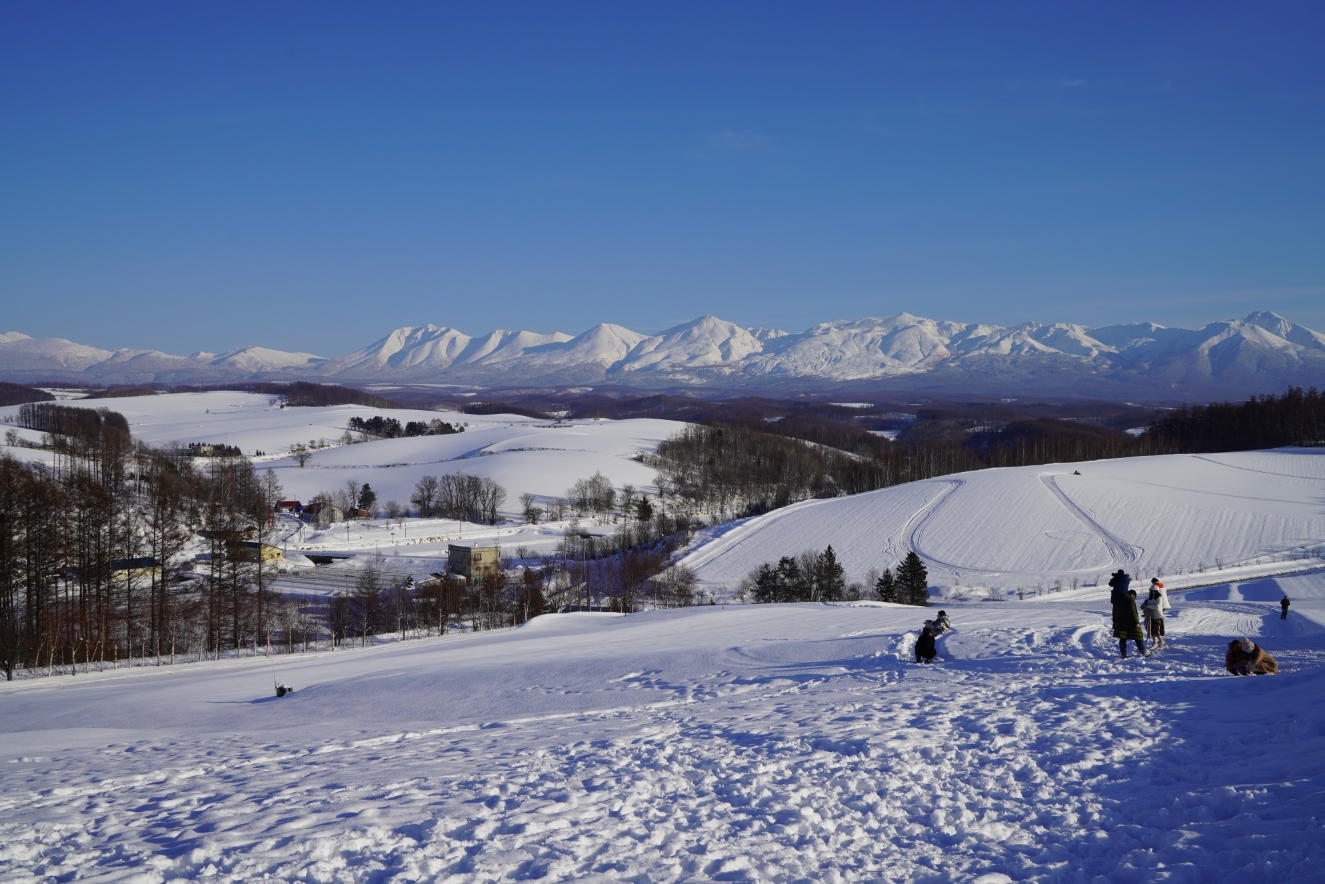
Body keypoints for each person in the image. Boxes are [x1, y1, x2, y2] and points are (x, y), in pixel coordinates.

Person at [1113, 587, 1147, 658]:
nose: (1133, 598)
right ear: (1132, 595)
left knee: (1123, 638)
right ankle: (1144, 652)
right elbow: (1133, 613)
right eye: (1134, 597)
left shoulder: (1117, 600)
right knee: (1138, 636)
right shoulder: (1130, 600)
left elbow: (1114, 613)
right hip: (1130, 622)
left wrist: (1115, 623)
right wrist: (1136, 622)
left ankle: (1123, 654)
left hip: (1120, 623)